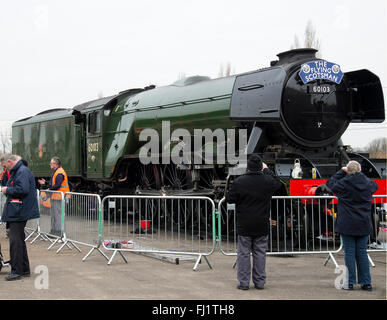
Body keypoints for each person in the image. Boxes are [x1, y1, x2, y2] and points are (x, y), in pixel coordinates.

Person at [225, 154, 282, 290]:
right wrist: (267, 170)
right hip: (261, 223)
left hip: (244, 224)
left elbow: (229, 199)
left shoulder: (240, 182)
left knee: (243, 253)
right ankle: (260, 282)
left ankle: (244, 283)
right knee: (260, 253)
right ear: (260, 167)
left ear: (248, 167)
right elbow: (278, 183)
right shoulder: (267, 181)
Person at [326, 160, 378, 291]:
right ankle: (366, 282)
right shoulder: (368, 184)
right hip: (363, 223)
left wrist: (341, 172)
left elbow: (330, 184)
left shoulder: (344, 184)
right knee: (362, 252)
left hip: (347, 223)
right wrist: (359, 173)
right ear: (360, 170)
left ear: (347, 171)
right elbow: (375, 185)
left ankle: (349, 283)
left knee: (349, 253)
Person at [1, 154, 40, 281]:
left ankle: (17, 271)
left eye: (5, 166)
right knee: (19, 241)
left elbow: (22, 189)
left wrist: (7, 190)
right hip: (18, 210)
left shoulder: (21, 171)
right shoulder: (20, 171)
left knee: (15, 242)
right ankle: (23, 269)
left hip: (18, 210)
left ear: (10, 162)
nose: (5, 169)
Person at [38, 156, 70, 237]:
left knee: (57, 216)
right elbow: (55, 184)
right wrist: (46, 183)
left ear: (55, 164)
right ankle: (54, 231)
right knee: (55, 215)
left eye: (51, 163)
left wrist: (48, 190)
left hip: (59, 197)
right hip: (57, 197)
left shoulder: (59, 172)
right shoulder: (58, 171)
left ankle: (58, 232)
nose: (50, 164)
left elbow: (57, 186)